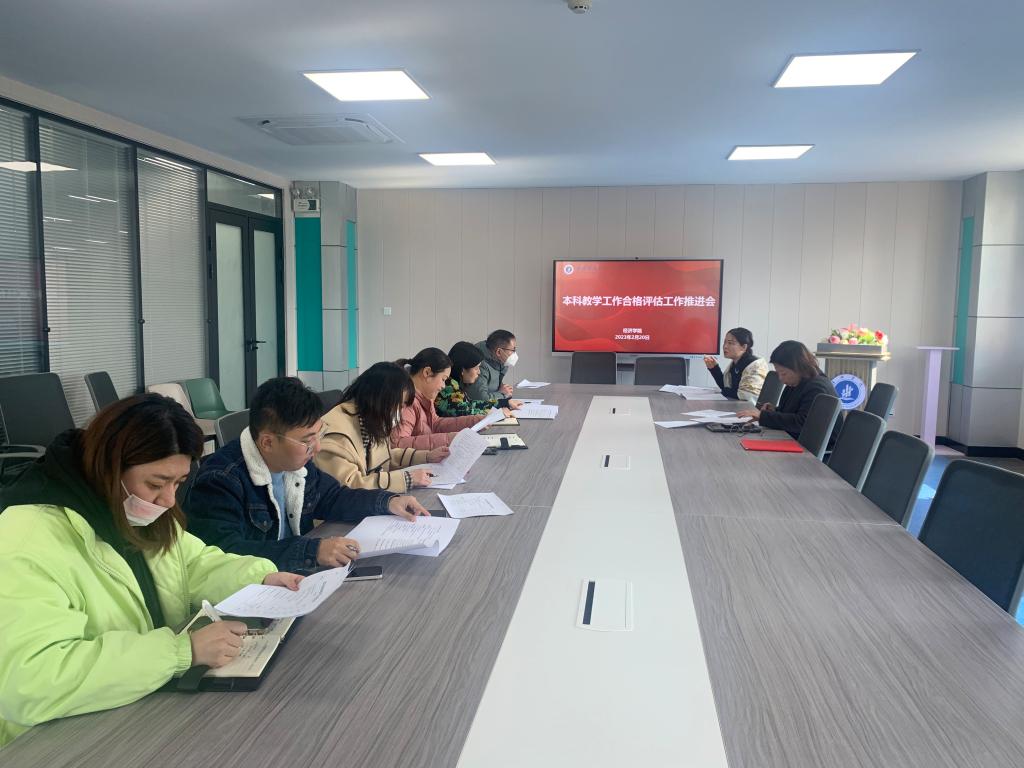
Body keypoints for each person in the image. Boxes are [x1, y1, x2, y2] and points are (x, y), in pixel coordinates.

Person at [0, 394, 303, 747]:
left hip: (137, 706)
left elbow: (192, 563)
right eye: (157, 484)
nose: (169, 500)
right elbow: (31, 680)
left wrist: (260, 579)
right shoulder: (25, 541)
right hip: (51, 741)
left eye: (178, 483)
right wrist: (179, 652)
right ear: (109, 468)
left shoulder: (133, 508)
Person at [185, 377, 429, 573]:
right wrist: (311, 551)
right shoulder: (220, 480)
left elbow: (333, 497)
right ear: (268, 442)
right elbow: (226, 555)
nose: (317, 448)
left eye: (317, 435)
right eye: (306, 440)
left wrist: (388, 501)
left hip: (294, 575)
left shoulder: (296, 464)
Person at [317, 363, 450, 492]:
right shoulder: (337, 436)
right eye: (400, 405)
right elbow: (350, 486)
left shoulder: (369, 418)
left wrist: (427, 456)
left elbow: (383, 457)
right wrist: (407, 479)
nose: (401, 412)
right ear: (380, 399)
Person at [737, 340, 843, 445]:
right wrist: (774, 411)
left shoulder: (817, 387)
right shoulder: (797, 382)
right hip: (797, 439)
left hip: (812, 448)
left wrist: (764, 416)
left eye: (783, 373)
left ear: (798, 367)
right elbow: (793, 412)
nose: (780, 378)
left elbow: (802, 423)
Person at [391, 348, 485, 450]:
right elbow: (398, 444)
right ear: (427, 373)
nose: (443, 386)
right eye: (443, 379)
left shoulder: (425, 396)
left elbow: (435, 424)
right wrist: (448, 439)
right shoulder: (406, 402)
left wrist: (473, 421)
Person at [435, 341, 524, 417]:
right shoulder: (448, 388)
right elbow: (465, 411)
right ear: (463, 370)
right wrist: (498, 412)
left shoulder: (455, 383)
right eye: (476, 368)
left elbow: (470, 405)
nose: (479, 372)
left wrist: (504, 403)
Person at [702, 327, 770, 403]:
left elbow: (747, 396)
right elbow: (725, 386)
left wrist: (724, 391)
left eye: (730, 343)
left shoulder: (755, 366)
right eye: (725, 342)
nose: (725, 346)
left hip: (749, 408)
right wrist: (714, 368)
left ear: (744, 347)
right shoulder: (735, 363)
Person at [464, 329, 517, 402]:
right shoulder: (479, 364)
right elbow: (480, 398)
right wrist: (502, 394)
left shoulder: (499, 361)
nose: (514, 354)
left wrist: (502, 387)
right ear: (499, 352)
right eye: (513, 350)